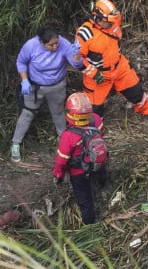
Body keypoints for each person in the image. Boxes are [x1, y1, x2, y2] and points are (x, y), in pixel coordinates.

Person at [76, 0, 148, 120]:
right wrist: (94, 73)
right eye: (109, 21)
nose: (113, 23)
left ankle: (146, 112)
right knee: (94, 109)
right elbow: (76, 59)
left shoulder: (114, 21)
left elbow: (114, 15)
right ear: (98, 19)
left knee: (136, 92)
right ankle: (94, 131)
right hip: (98, 74)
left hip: (120, 68)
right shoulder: (85, 34)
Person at [10, 27, 83, 163]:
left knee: (58, 113)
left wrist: (77, 54)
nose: (55, 47)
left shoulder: (63, 44)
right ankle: (15, 143)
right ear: (42, 43)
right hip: (35, 86)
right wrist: (24, 80)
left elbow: (76, 64)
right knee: (27, 113)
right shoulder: (31, 46)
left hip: (56, 85)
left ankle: (63, 144)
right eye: (51, 45)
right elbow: (21, 62)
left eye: (56, 43)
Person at [53, 93, 106, 225]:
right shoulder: (97, 120)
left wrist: (58, 175)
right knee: (100, 175)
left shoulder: (68, 136)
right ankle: (103, 184)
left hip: (79, 172)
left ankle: (90, 224)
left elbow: (61, 160)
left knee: (84, 199)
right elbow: (100, 136)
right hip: (98, 162)